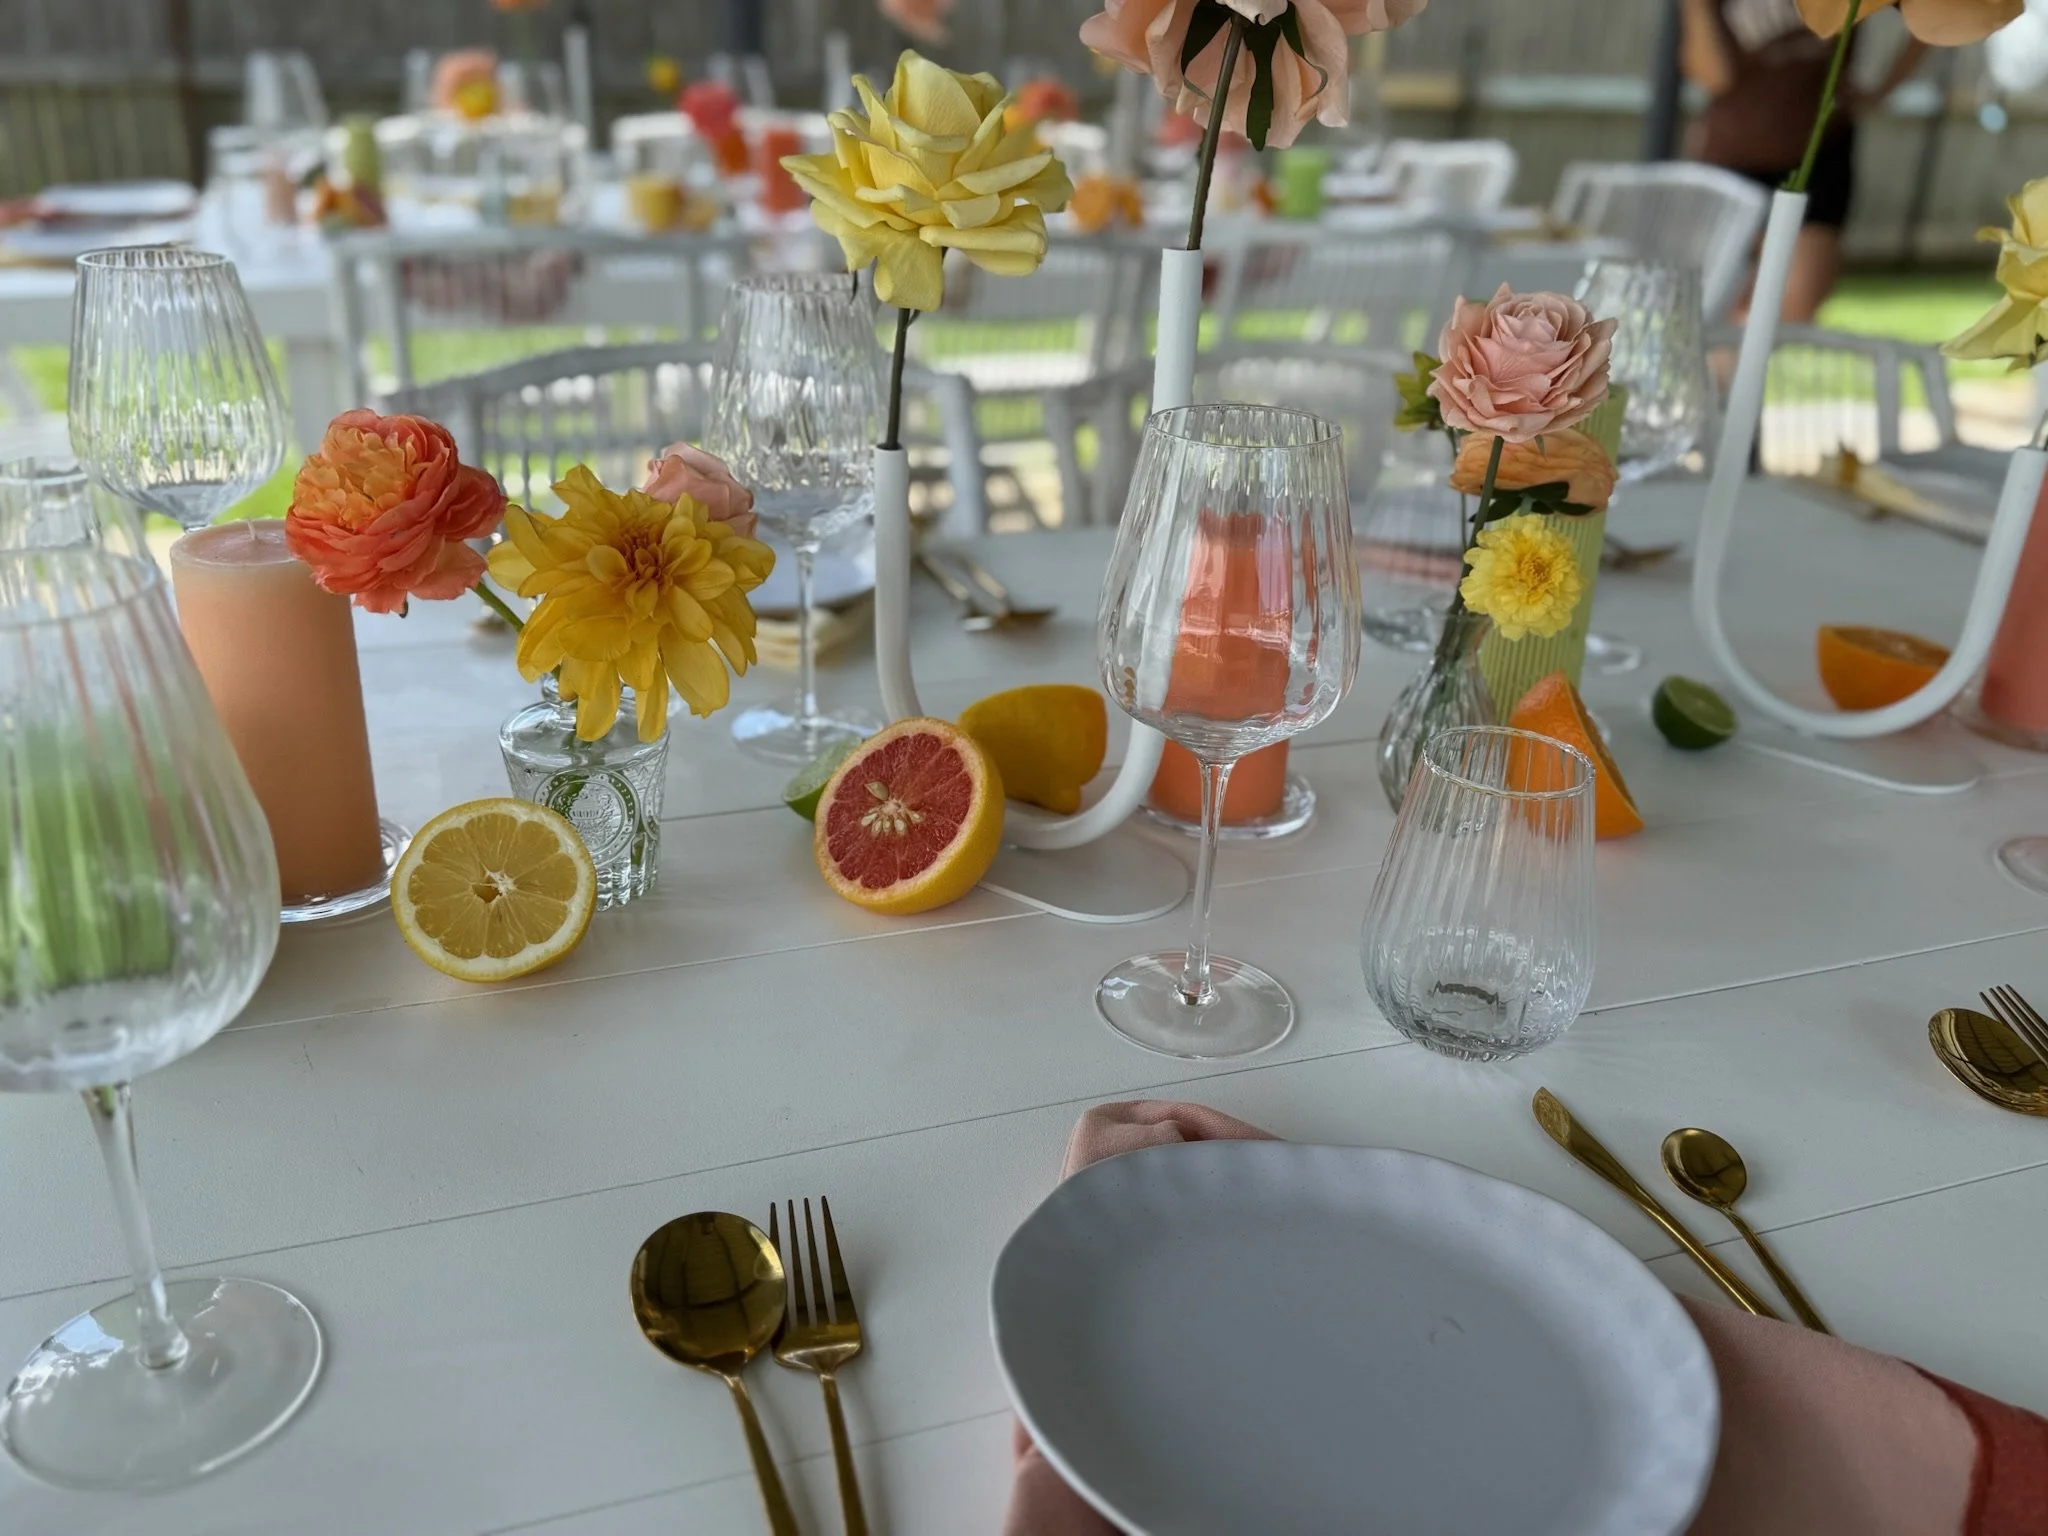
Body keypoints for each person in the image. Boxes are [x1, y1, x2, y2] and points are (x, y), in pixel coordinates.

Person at [1682, 0, 1928, 321]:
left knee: (1795, 305)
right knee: (1718, 304)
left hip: (1820, 149)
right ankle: (1726, 369)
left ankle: (1737, 365)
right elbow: (1713, 77)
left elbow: (1935, 19)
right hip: (1733, 154)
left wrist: (1882, 90)